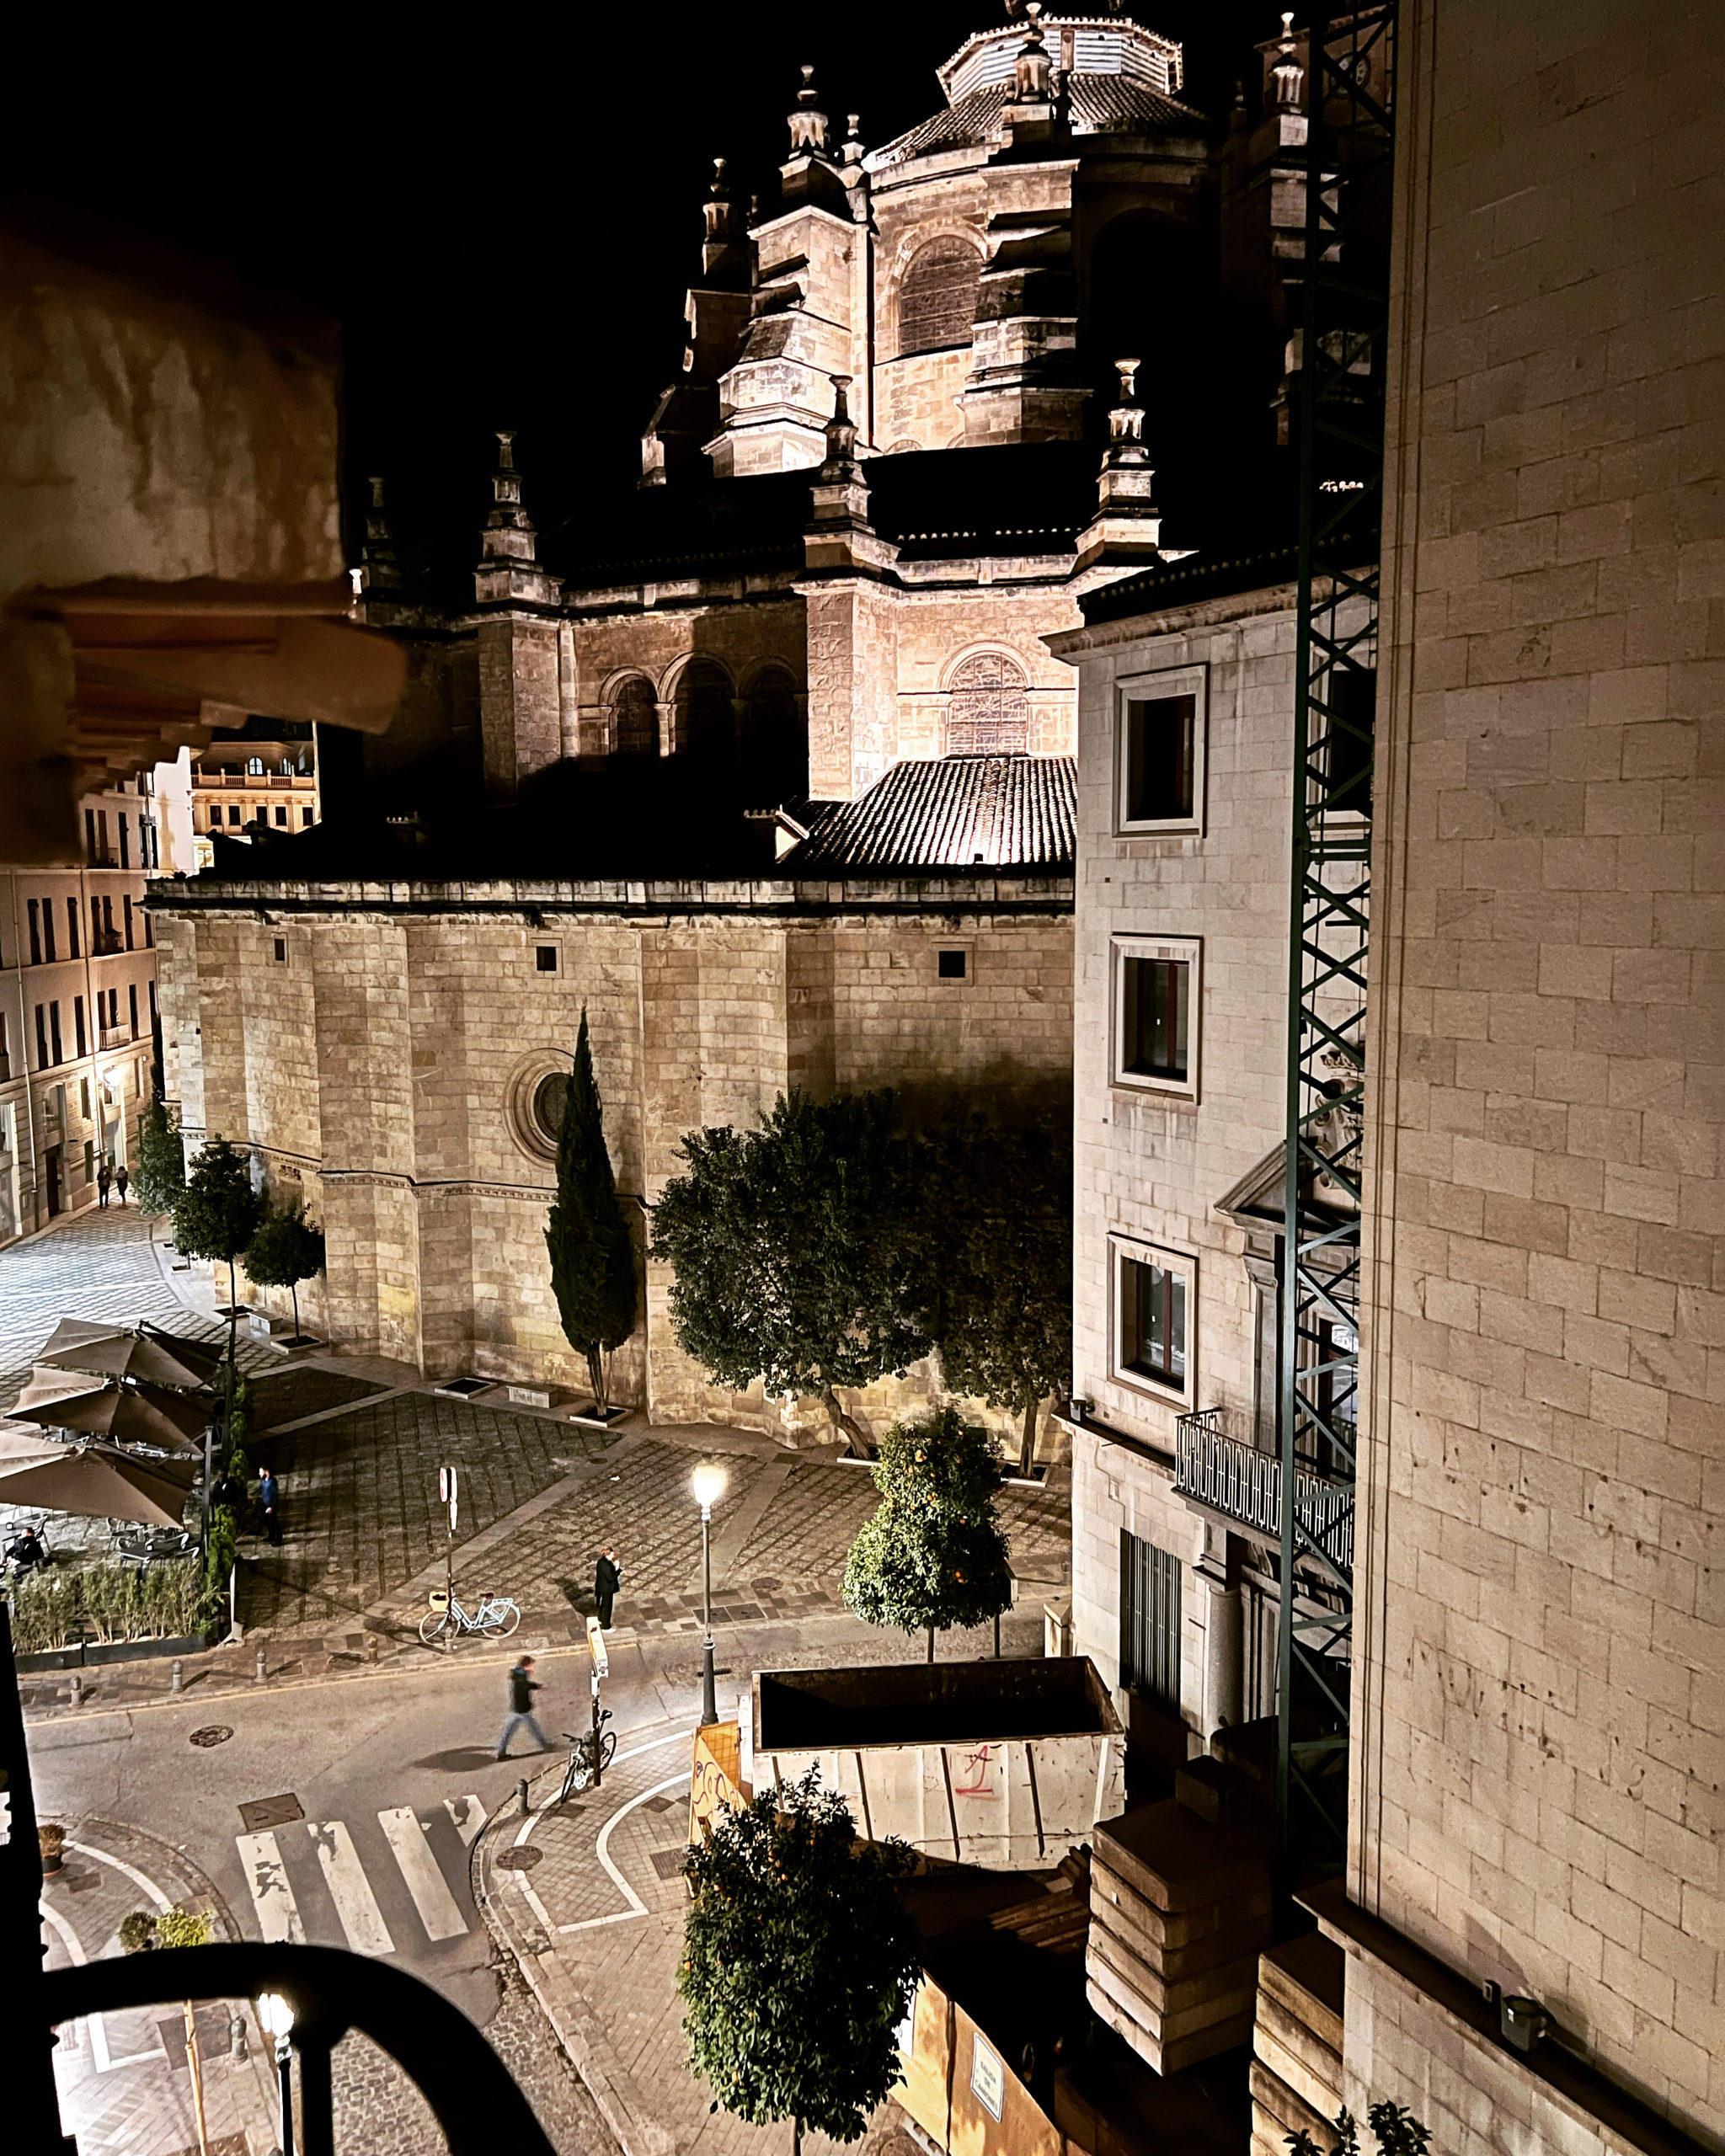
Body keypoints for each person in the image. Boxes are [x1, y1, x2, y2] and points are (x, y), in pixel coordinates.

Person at [497, 1655, 550, 1758]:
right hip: (521, 1710)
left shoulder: (519, 1675)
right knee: (534, 1729)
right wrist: (536, 1687)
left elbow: (526, 1685)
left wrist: (536, 1686)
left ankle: (501, 1753)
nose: (533, 1668)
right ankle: (546, 1746)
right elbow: (524, 1688)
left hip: (516, 1710)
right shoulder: (520, 1679)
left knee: (508, 1732)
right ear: (527, 1666)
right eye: (531, 1666)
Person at [594, 1546, 622, 1630]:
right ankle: (606, 1626)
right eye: (612, 1555)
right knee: (607, 1607)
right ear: (607, 1555)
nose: (613, 1556)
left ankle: (600, 1618)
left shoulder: (601, 1562)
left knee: (604, 1604)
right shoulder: (607, 1565)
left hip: (601, 1587)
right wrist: (618, 1570)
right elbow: (611, 1577)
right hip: (607, 1588)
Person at [257, 1465, 282, 1546]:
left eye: (261, 1472)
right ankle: (271, 1536)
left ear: (266, 1472)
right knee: (267, 1522)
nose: (259, 1473)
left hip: (271, 1505)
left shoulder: (272, 1482)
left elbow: (274, 1495)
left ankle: (278, 1539)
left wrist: (271, 1506)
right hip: (265, 1504)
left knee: (274, 1522)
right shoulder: (264, 1481)